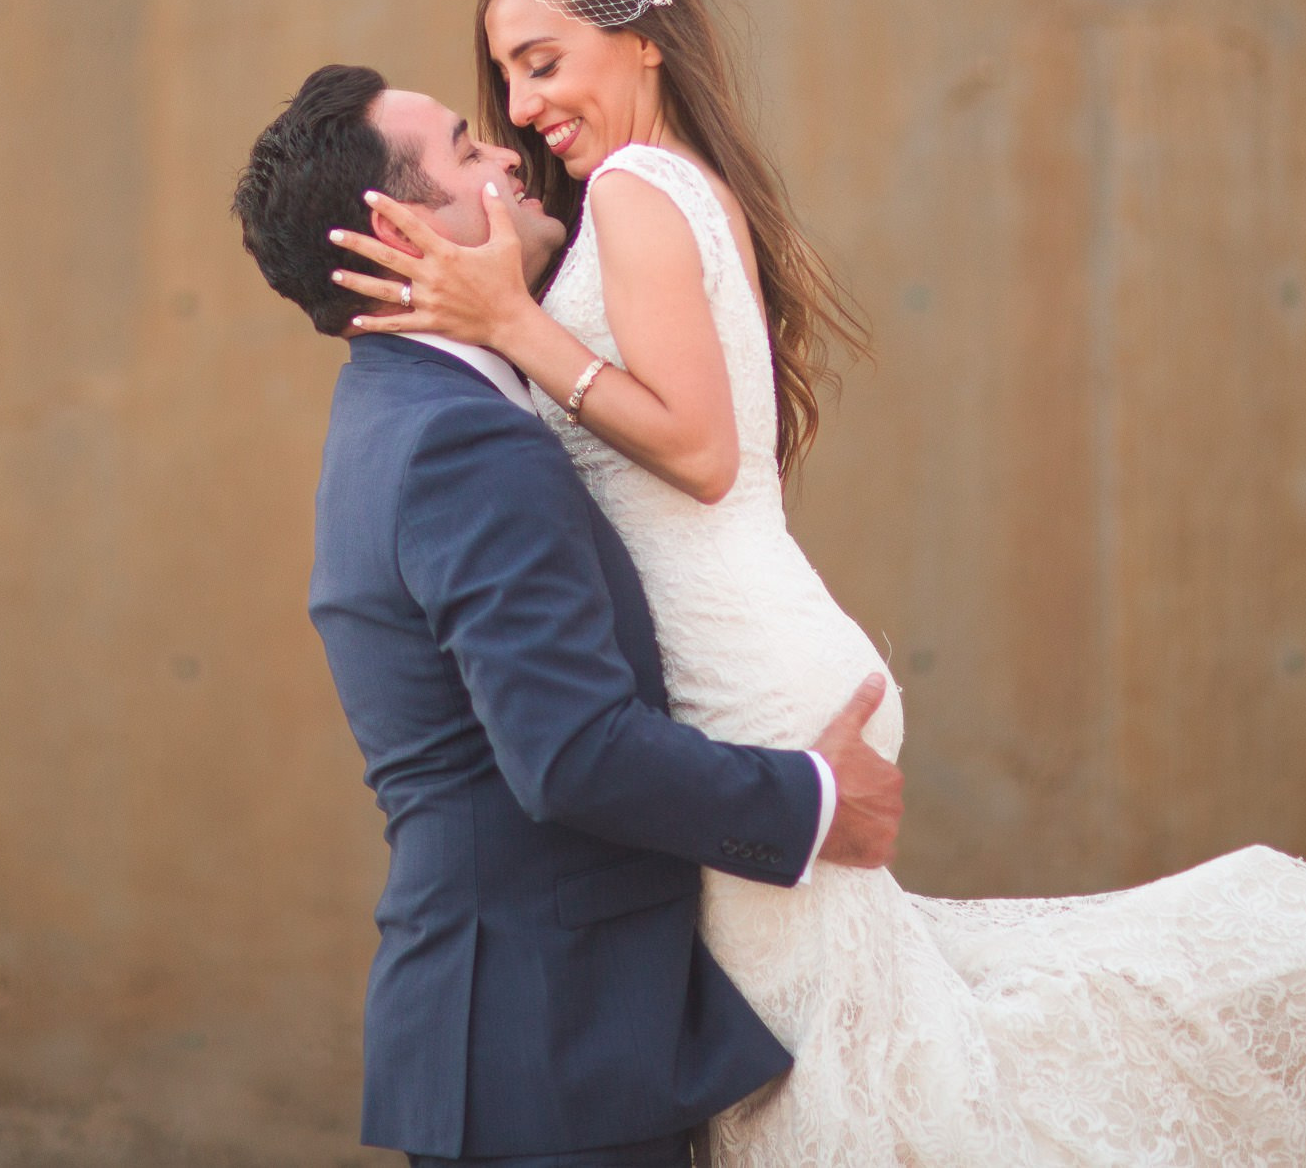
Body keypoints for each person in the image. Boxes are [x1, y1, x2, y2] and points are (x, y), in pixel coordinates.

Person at [324, 0, 1306, 1166]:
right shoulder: (659, 191)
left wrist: (514, 327)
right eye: (502, 83)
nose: (522, 110)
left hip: (742, 687)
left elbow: (696, 448)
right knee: (849, 1063)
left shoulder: (633, 188)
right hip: (749, 655)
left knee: (831, 1094)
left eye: (539, 64)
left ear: (640, 38)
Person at [231, 62, 907, 1168]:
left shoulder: (407, 413)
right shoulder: (460, 441)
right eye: (463, 146)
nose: (507, 149)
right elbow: (571, 752)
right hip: (546, 1050)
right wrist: (818, 801)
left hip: (529, 1037)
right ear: (406, 233)